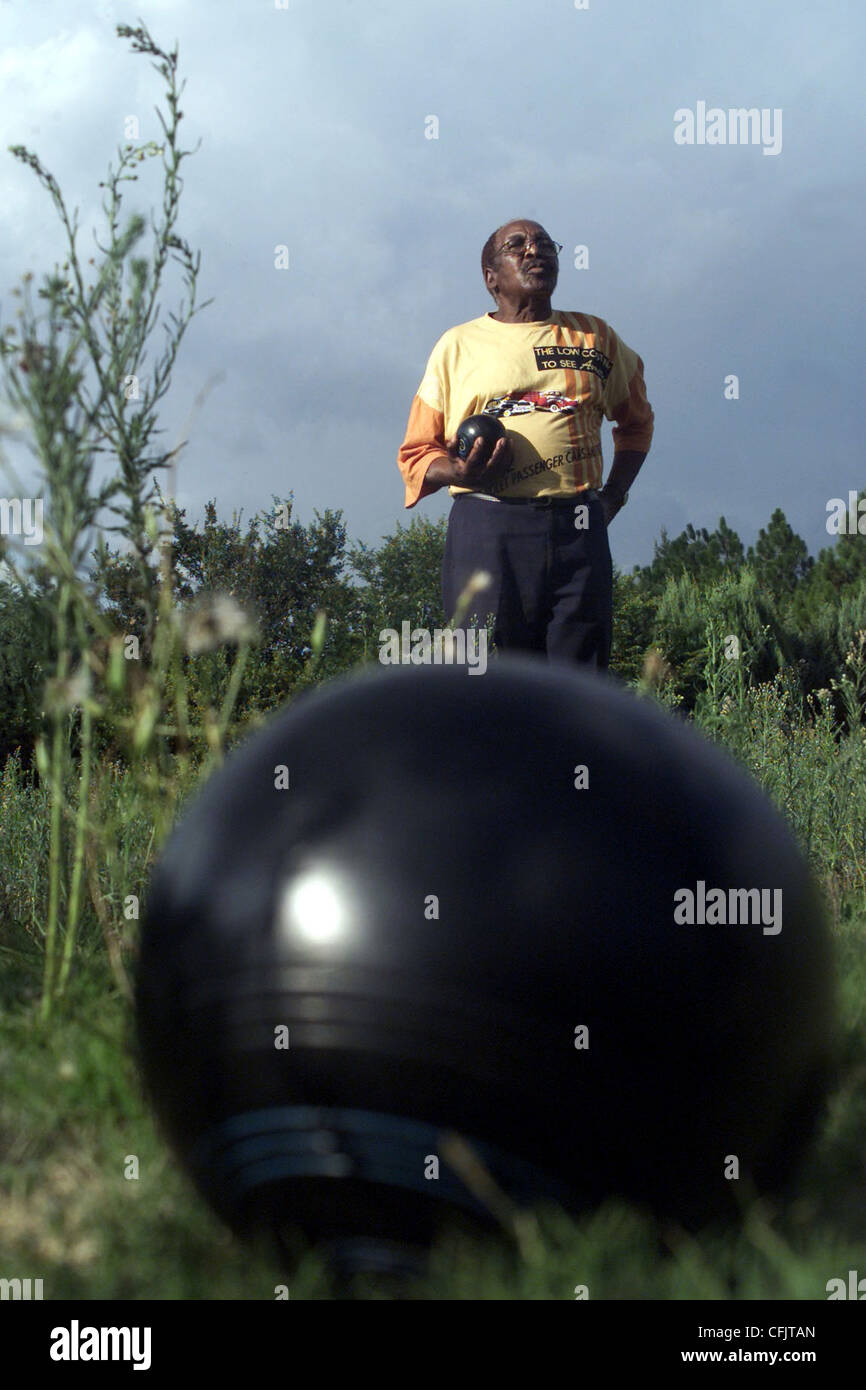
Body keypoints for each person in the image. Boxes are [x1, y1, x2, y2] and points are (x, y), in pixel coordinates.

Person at [396, 218, 654, 667]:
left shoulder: (596, 337)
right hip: (487, 525)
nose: (536, 251)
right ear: (490, 276)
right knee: (486, 681)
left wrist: (612, 496)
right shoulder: (457, 346)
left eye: (546, 244)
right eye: (517, 245)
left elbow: (637, 424)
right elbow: (417, 454)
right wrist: (458, 471)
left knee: (579, 686)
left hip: (579, 527)